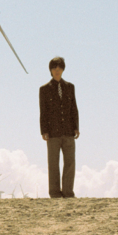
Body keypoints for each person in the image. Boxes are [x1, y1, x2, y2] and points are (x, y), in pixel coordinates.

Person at [39, 56, 79, 198]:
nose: (57, 70)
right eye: (55, 68)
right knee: (53, 164)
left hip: (68, 132)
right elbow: (43, 111)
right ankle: (55, 192)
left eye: (60, 67)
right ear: (50, 70)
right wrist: (44, 130)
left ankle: (68, 191)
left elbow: (73, 108)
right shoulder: (44, 89)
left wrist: (76, 127)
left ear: (63, 69)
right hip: (53, 133)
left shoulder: (69, 87)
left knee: (70, 163)